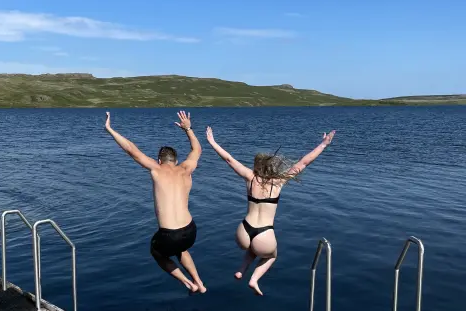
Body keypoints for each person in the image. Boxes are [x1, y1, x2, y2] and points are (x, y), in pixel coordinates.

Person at [206, 126, 336, 295]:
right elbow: (304, 162)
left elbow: (229, 159)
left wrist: (212, 142)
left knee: (252, 249)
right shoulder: (278, 182)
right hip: (264, 234)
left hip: (244, 231)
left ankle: (241, 270)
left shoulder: (250, 177)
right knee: (271, 255)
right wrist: (324, 144)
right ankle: (254, 279)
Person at [105, 110, 206, 293]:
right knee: (181, 250)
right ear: (175, 160)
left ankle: (187, 283)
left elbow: (131, 150)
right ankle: (199, 282)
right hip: (190, 230)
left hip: (169, 235)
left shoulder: (156, 169)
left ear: (160, 160)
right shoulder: (186, 168)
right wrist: (188, 129)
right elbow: (197, 149)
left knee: (157, 252)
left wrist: (110, 130)